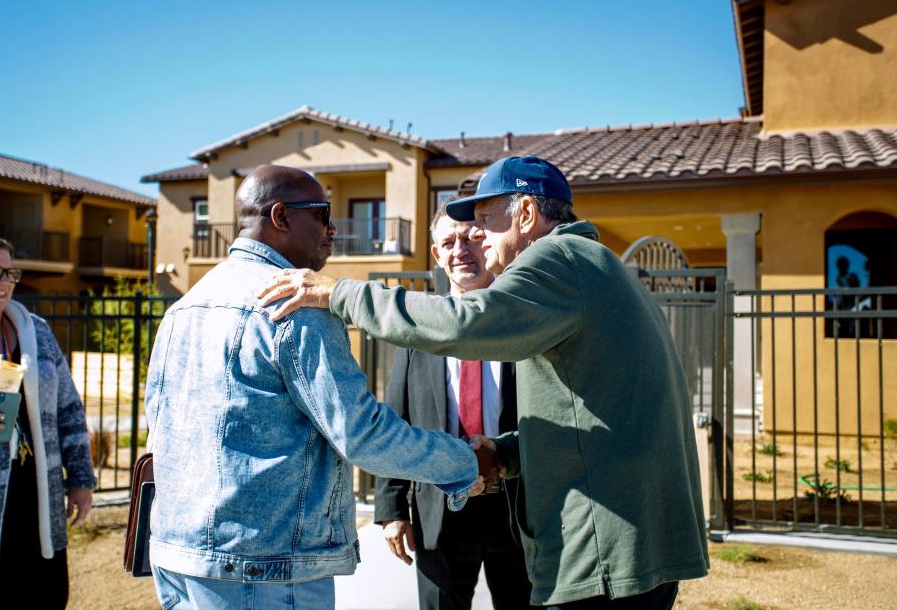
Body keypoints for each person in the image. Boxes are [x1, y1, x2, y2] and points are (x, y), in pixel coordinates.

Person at [257, 156, 710, 609]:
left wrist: (339, 293)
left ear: (527, 215)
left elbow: (465, 324)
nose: (480, 237)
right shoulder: (593, 266)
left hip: (605, 554)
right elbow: (587, 414)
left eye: (486, 222)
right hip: (625, 545)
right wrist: (505, 453)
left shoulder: (558, 259)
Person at [144, 165, 492, 610]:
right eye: (322, 214)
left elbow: (159, 426)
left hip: (177, 556)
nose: (332, 230)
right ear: (281, 217)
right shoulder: (295, 304)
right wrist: (466, 462)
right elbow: (362, 434)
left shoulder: (185, 306)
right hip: (264, 568)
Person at [376, 207, 531, 609]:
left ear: (489, 244)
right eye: (449, 242)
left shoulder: (522, 318)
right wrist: (392, 509)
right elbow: (396, 422)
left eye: (471, 238)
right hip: (439, 512)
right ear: (436, 254)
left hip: (518, 508)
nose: (461, 250)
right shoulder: (419, 328)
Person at [0, 233, 95, 610]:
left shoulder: (35, 332)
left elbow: (69, 410)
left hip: (35, 506)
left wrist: (81, 479)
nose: (6, 282)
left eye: (11, 273)